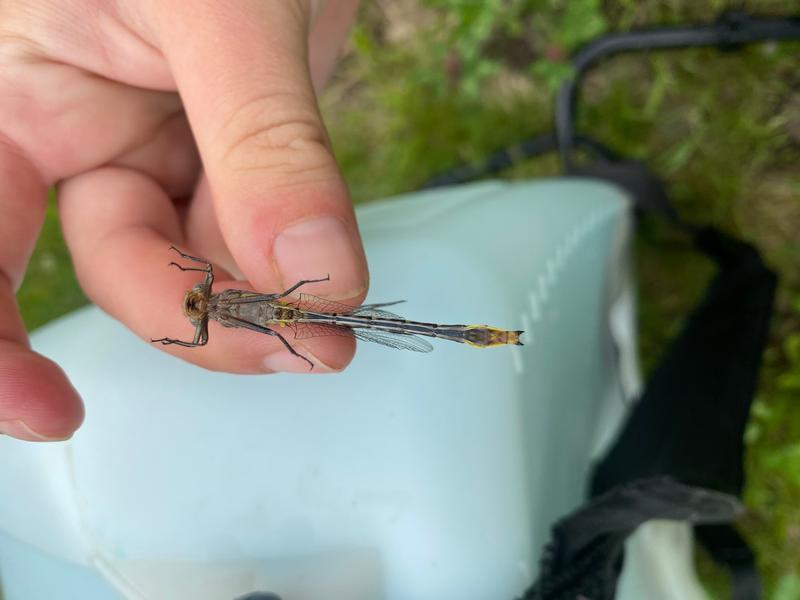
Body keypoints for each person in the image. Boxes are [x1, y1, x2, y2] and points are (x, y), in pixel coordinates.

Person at [0, 0, 365, 441]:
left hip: (278, 303)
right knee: (290, 325)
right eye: (196, 303)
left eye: (193, 299)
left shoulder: (208, 301)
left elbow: (202, 304)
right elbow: (206, 292)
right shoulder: (210, 295)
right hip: (274, 308)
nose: (195, 301)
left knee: (299, 304)